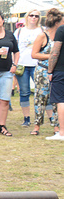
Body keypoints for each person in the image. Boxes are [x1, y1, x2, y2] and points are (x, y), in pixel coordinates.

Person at [31, 8, 61, 136]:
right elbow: (34, 54)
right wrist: (52, 56)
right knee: (40, 98)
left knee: (57, 100)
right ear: (56, 23)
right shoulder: (43, 35)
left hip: (57, 71)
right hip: (42, 70)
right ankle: (37, 125)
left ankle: (57, 126)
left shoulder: (61, 35)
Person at [15, 10, 43, 126]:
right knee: (24, 92)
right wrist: (14, 63)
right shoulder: (19, 31)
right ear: (27, 17)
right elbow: (14, 49)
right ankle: (26, 118)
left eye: (36, 16)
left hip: (38, 64)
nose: (34, 18)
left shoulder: (42, 30)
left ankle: (49, 117)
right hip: (22, 64)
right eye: (31, 15)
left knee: (42, 92)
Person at [45, 9, 64, 141]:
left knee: (61, 101)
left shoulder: (61, 30)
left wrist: (50, 70)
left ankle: (62, 132)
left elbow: (55, 52)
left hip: (61, 70)